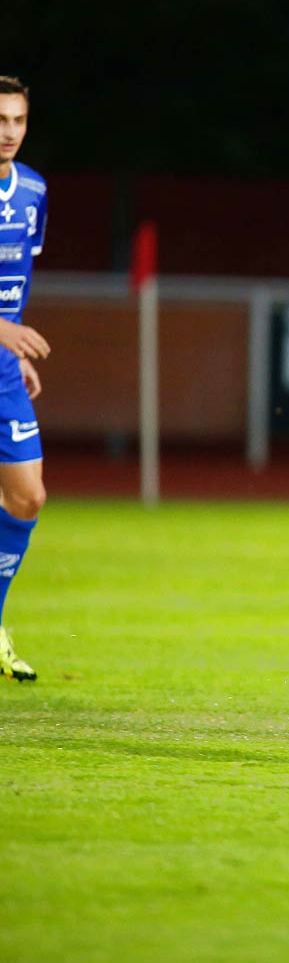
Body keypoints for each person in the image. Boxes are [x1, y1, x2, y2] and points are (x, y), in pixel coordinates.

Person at [0, 76, 51, 684]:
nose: (8, 131)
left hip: (3, 371)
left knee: (27, 497)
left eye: (16, 120)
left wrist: (13, 348)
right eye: (0, 120)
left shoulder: (33, 189)